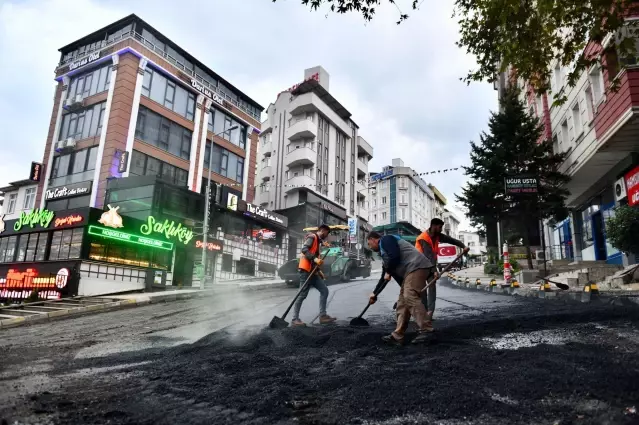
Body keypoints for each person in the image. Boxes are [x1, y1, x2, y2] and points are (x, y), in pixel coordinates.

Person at [366, 231, 434, 345]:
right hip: (410, 272)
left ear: (373, 239)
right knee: (402, 302)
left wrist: (388, 271)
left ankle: (427, 330)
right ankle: (398, 336)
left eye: (369, 244)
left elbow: (395, 256)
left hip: (417, 266)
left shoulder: (386, 240)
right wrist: (375, 294)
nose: (370, 247)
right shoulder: (385, 256)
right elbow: (384, 278)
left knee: (409, 296)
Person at [415, 218, 469, 321]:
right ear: (434, 226)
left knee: (432, 288)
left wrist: (463, 246)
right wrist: (435, 270)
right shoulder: (423, 238)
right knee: (423, 291)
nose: (441, 229)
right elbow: (428, 256)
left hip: (430, 266)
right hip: (420, 267)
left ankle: (429, 313)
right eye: (440, 227)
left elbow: (451, 240)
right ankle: (424, 314)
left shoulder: (438, 236)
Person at [292, 224, 337, 327]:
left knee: (324, 291)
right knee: (302, 295)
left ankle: (323, 316)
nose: (327, 236)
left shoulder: (317, 240)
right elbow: (304, 249)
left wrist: (319, 272)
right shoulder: (312, 237)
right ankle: (295, 319)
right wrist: (315, 258)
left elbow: (319, 244)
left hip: (313, 272)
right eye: (327, 233)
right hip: (305, 271)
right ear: (323, 230)